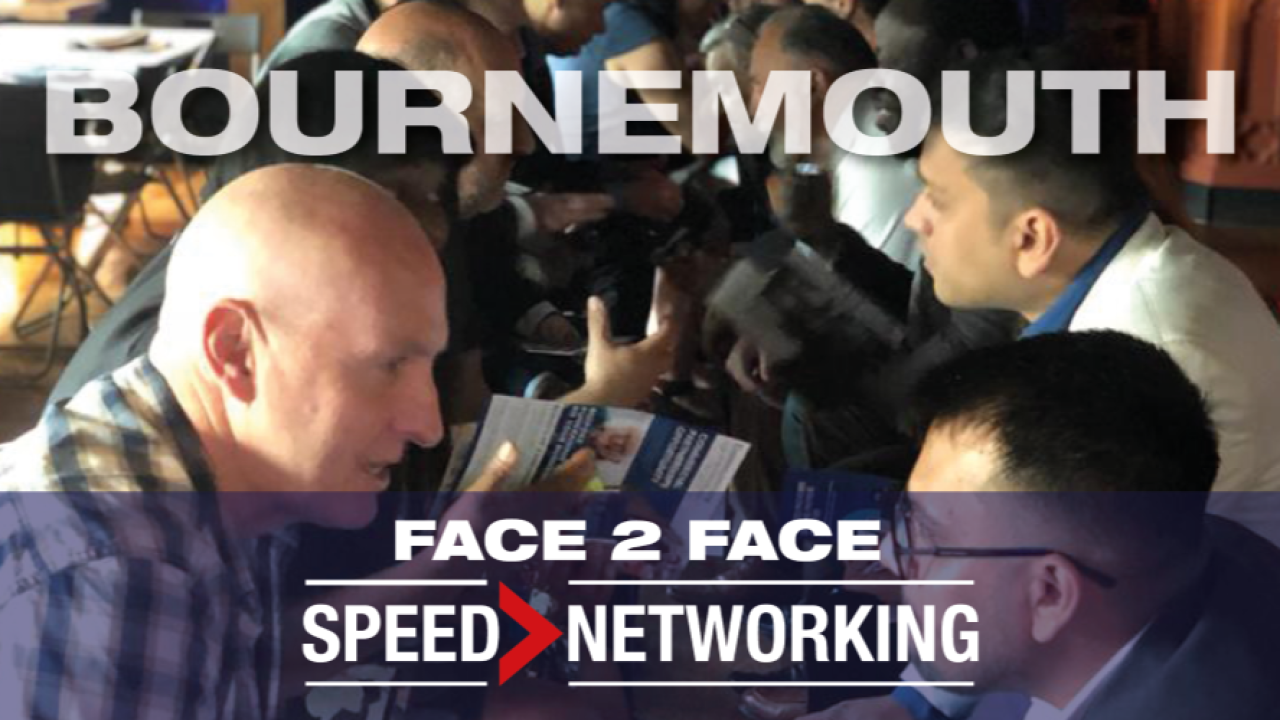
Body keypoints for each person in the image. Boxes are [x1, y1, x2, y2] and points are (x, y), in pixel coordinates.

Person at [0, 165, 449, 719]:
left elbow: (244, 669)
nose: (428, 425)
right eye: (388, 365)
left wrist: (442, 571)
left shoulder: (220, 462)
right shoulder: (120, 569)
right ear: (235, 350)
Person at [905, 41, 1280, 543]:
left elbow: (1118, 572)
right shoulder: (1129, 267)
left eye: (939, 198)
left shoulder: (1153, 363)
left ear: (1032, 238)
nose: (915, 218)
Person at [804, 331, 1280, 720]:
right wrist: (910, 706)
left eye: (926, 537)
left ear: (1050, 594)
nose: (887, 554)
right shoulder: (1189, 546)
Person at [47, 50, 464, 407]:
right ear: (286, 191)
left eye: (431, 199)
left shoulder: (248, 284)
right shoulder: (181, 375)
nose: (431, 230)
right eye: (393, 198)